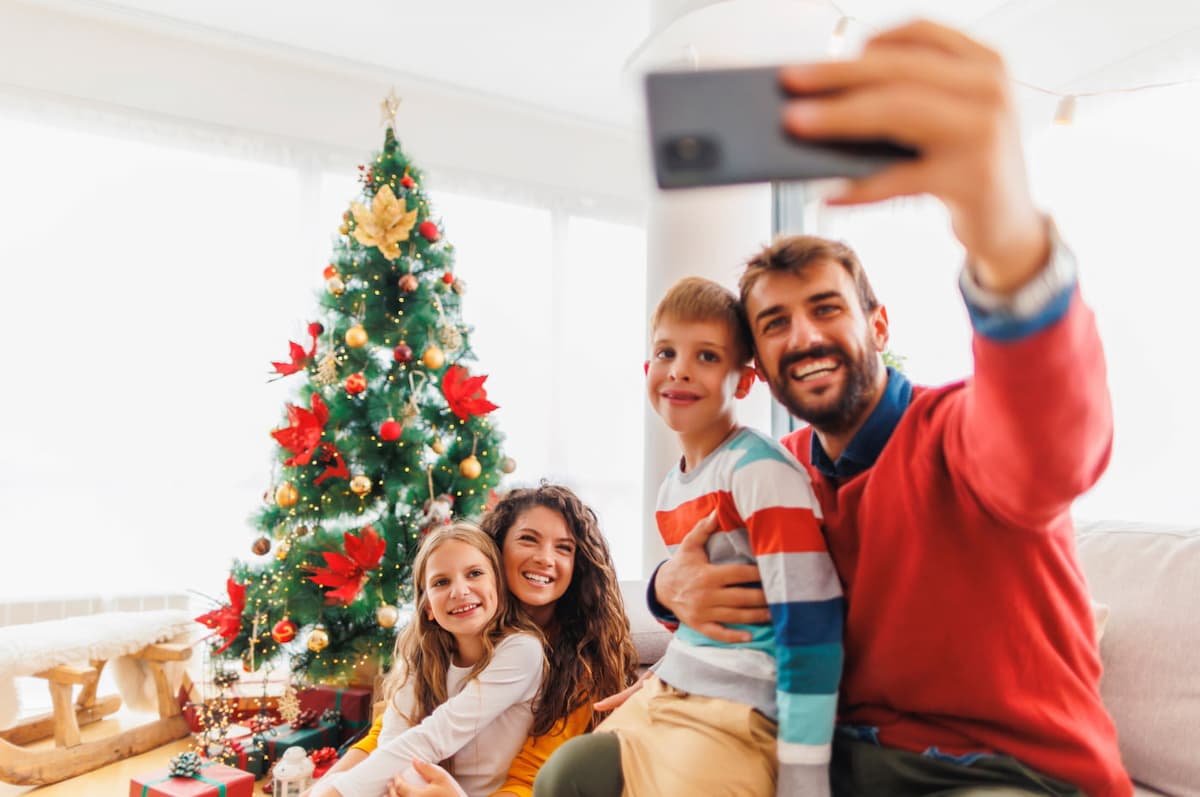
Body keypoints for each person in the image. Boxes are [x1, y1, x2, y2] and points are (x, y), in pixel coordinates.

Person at [644, 18, 1132, 797]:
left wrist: (1004, 235)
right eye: (774, 323)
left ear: (877, 325)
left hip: (1010, 772)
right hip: (842, 759)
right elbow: (719, 579)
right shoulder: (776, 469)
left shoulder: (963, 433)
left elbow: (1054, 445)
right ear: (760, 374)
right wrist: (664, 587)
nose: (803, 334)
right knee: (588, 773)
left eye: (827, 307)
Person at [534, 277, 842, 797]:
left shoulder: (760, 474)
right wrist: (660, 677)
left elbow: (814, 625)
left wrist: (805, 775)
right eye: (666, 352)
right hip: (672, 694)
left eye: (706, 356)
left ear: (742, 382)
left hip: (743, 713)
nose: (679, 369)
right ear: (647, 370)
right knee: (564, 775)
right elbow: (699, 616)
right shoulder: (672, 489)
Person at [315, 484, 640, 797]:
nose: (545, 558)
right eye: (529, 539)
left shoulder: (576, 662)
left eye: (564, 547)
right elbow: (389, 738)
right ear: (495, 551)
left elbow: (532, 780)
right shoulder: (438, 640)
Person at [311, 521, 545, 797]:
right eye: (441, 582)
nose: (459, 591)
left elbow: (438, 734)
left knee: (348, 785)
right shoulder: (422, 653)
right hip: (416, 785)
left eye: (474, 573)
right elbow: (392, 741)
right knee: (344, 779)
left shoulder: (522, 650)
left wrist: (336, 794)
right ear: (428, 607)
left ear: (499, 584)